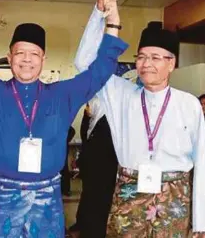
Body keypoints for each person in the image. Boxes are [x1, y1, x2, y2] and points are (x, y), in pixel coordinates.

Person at [0, 0, 126, 236]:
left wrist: (112, 21)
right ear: (9, 57)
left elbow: (100, 70)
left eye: (34, 54)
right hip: (1, 201)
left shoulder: (62, 94)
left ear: (43, 59)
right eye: (20, 53)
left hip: (47, 204)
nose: (26, 59)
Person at [75, 17, 205, 238]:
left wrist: (201, 222)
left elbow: (202, 162)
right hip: (129, 194)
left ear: (171, 63)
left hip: (174, 198)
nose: (146, 64)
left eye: (155, 58)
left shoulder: (189, 103)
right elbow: (84, 62)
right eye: (142, 57)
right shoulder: (120, 93)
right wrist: (102, 17)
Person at [69, 98, 118, 238]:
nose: (88, 108)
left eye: (90, 105)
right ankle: (83, 225)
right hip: (90, 167)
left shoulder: (109, 119)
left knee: (98, 202)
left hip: (104, 169)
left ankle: (93, 231)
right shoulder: (93, 120)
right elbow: (84, 135)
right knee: (88, 197)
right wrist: (86, 116)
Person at [61, 126, 75, 197]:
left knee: (64, 169)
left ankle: (66, 190)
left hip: (62, 148)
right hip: (57, 148)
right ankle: (62, 189)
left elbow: (72, 131)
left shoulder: (62, 121)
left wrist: (65, 140)